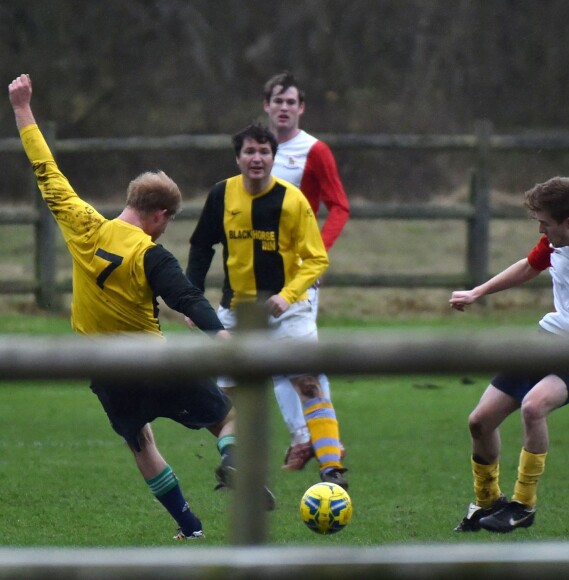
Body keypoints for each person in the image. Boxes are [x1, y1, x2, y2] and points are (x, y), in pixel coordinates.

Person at [8, 74, 274, 542]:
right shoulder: (150, 254)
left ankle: (189, 528)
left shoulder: (84, 225)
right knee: (228, 416)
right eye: (168, 222)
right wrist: (221, 335)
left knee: (141, 441)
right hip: (153, 360)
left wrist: (22, 108)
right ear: (160, 214)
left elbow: (45, 169)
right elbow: (186, 297)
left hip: (104, 368)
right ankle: (233, 462)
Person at [186, 122, 349, 489]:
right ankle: (238, 468)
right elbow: (201, 248)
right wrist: (191, 300)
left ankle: (331, 466)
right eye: (250, 152)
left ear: (274, 158)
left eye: (264, 152)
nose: (256, 158)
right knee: (227, 398)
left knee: (305, 380)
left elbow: (316, 260)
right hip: (237, 310)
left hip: (289, 310)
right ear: (238, 157)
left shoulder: (292, 200)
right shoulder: (221, 195)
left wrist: (286, 295)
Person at [450, 176, 569, 533]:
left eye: (545, 222)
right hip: (546, 339)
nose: (540, 228)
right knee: (479, 421)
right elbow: (527, 266)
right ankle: (488, 503)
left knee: (534, 407)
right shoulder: (555, 244)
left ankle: (523, 506)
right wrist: (478, 292)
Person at [263, 71, 350, 471]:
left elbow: (339, 206)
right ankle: (313, 438)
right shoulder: (257, 149)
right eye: (277, 101)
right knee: (273, 359)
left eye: (290, 102)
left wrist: (317, 254)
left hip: (298, 272)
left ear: (301, 108)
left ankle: (314, 440)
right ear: (267, 106)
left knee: (298, 356)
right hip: (260, 271)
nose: (283, 108)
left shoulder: (314, 150)